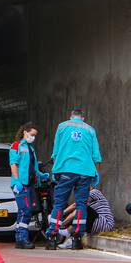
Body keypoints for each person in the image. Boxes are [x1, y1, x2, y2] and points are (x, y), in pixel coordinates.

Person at [47, 107, 102, 250]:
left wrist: (56, 170)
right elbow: (96, 156)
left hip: (66, 170)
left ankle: (52, 237)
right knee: (81, 205)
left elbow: (56, 152)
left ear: (71, 117)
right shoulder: (90, 130)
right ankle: (77, 238)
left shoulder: (62, 126)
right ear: (83, 118)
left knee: (59, 203)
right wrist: (95, 174)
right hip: (85, 171)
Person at [9, 122, 50, 250]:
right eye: (32, 134)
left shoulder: (31, 149)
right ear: (25, 132)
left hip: (30, 184)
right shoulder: (16, 146)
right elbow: (13, 164)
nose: (33, 137)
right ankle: (23, 239)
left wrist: (43, 176)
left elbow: (34, 168)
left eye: (35, 135)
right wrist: (16, 181)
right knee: (26, 211)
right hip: (21, 185)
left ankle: (20, 239)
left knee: (24, 211)